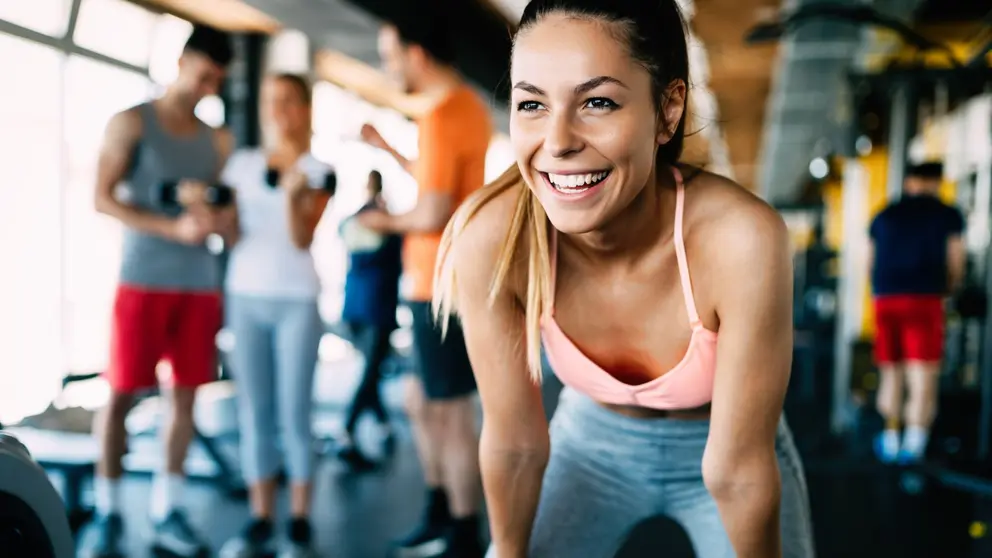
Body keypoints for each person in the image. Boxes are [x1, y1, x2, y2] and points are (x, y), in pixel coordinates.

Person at [432, 1, 815, 557]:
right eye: (532, 104)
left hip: (726, 448)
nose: (558, 140)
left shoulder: (742, 239)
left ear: (668, 109)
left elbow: (735, 470)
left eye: (598, 102)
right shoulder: (493, 240)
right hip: (591, 447)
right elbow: (514, 444)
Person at [85, 25, 237, 558]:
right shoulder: (131, 123)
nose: (208, 88)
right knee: (122, 395)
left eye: (217, 81)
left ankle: (166, 509)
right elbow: (102, 199)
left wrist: (214, 218)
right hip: (143, 280)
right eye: (203, 76)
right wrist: (170, 228)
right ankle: (106, 509)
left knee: (186, 399)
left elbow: (225, 211)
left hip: (198, 286)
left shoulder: (217, 140)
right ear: (181, 61)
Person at [358, 14, 493, 558]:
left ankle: (463, 531)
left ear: (416, 53)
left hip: (442, 283)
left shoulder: (442, 114)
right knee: (421, 400)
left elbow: (432, 210)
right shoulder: (462, 109)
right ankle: (442, 511)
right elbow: (438, 181)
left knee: (451, 410)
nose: (388, 66)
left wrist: (379, 222)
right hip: (437, 282)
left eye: (390, 55)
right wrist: (389, 149)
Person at [217, 73, 333, 558]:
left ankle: (300, 521)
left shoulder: (318, 169)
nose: (278, 111)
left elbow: (301, 238)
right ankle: (262, 517)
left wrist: (291, 194)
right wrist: (209, 214)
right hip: (245, 295)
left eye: (288, 101)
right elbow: (231, 233)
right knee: (254, 412)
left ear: (305, 109)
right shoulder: (242, 165)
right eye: (270, 101)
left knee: (294, 413)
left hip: (296, 301)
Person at [869, 161, 965, 464]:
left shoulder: (884, 214)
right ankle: (914, 444)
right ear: (936, 182)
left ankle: (890, 437)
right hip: (924, 300)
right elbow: (956, 260)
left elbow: (869, 261)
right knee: (922, 372)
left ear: (909, 181)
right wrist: (949, 292)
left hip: (886, 299)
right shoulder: (947, 213)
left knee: (890, 372)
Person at [338, 170, 403, 470]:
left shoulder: (354, 220)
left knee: (371, 370)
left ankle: (381, 424)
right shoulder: (383, 221)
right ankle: (347, 431)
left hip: (357, 303)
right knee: (371, 372)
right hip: (376, 304)